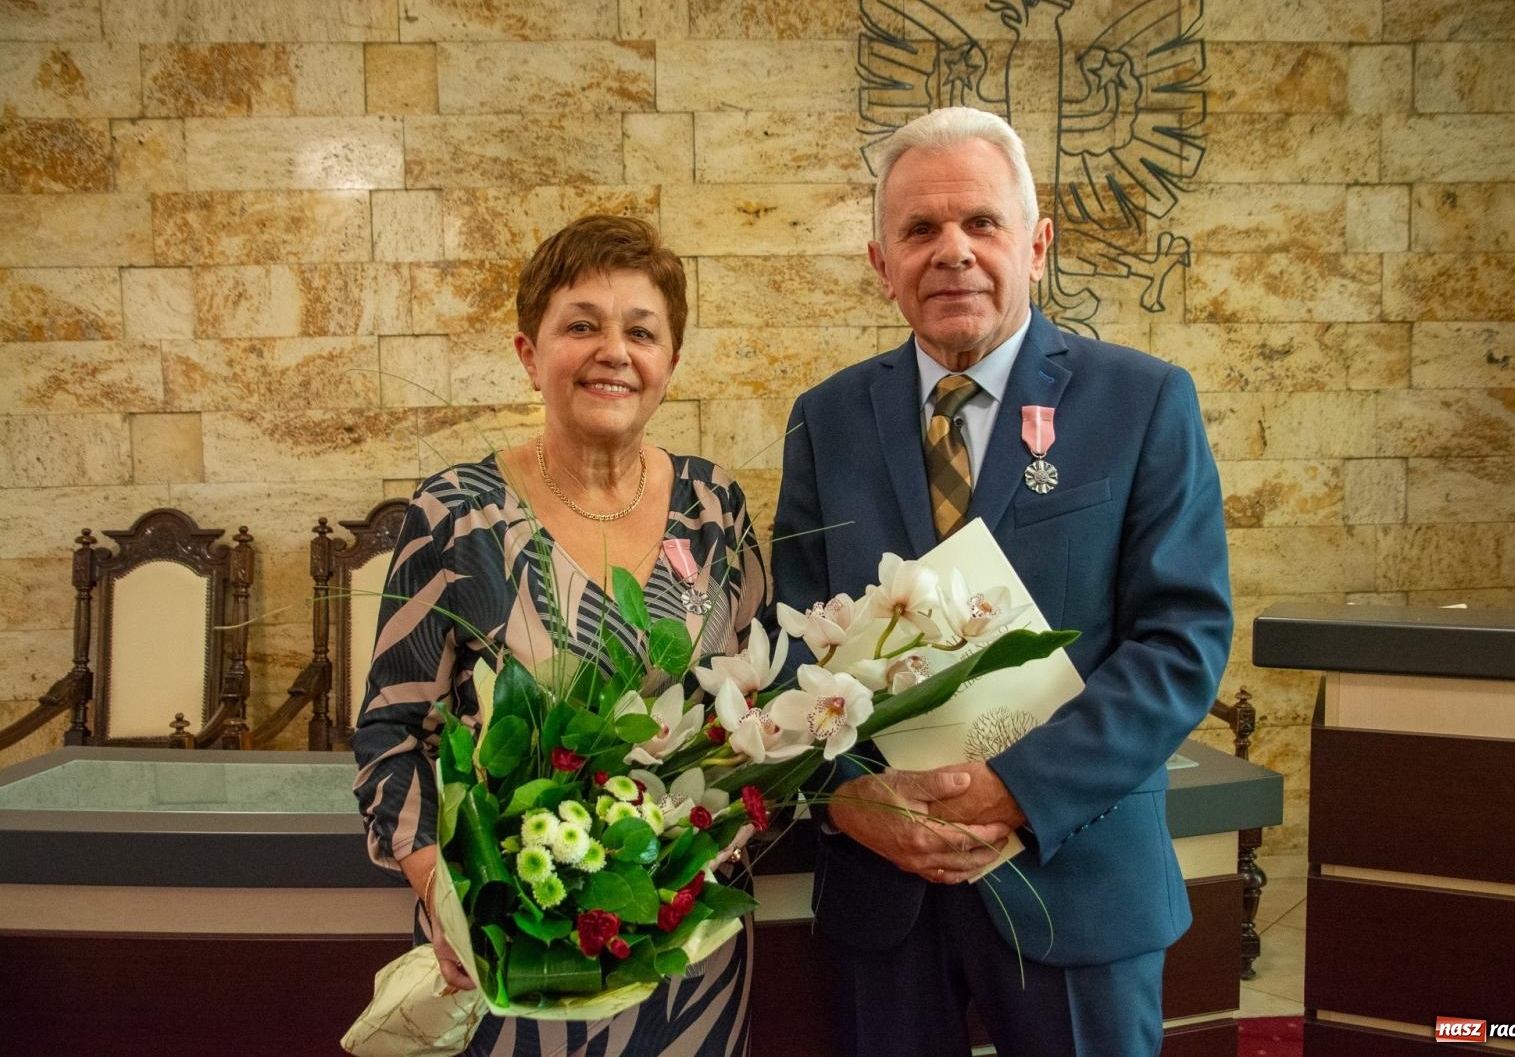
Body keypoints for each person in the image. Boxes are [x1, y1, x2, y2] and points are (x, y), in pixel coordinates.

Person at [770, 107, 1233, 1056]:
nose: (953, 251)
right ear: (882, 263)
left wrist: (1014, 789)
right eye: (920, 230)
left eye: (981, 222)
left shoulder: (1144, 401)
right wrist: (854, 801)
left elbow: (1181, 643)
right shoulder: (826, 421)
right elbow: (790, 645)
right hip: (886, 896)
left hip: (1078, 878)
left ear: (1036, 244)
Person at [352, 215, 765, 1056]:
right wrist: (446, 900)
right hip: (511, 947)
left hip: (685, 944)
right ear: (528, 353)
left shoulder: (713, 505)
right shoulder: (457, 514)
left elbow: (760, 706)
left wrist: (719, 836)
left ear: (670, 363)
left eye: (641, 332)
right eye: (581, 326)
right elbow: (391, 731)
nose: (614, 352)